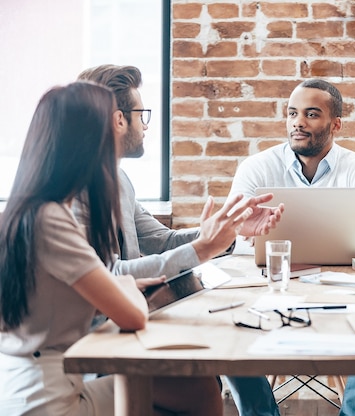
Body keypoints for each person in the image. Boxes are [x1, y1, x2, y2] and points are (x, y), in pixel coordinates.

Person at [0, 82, 228, 415]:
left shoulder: (27, 211)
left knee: (195, 386)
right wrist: (121, 286)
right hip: (48, 399)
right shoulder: (50, 219)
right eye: (112, 127)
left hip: (35, 383)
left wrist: (118, 286)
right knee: (198, 387)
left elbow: (63, 295)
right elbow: (131, 314)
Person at [225, 79, 355, 416]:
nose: (297, 122)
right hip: (268, 287)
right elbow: (229, 234)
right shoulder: (257, 168)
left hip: (343, 290)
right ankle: (259, 413)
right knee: (228, 325)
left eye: (311, 114)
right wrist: (247, 235)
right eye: (292, 113)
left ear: (336, 124)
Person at [76, 64, 284, 280]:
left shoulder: (120, 181)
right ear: (119, 120)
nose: (145, 126)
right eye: (141, 115)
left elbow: (163, 242)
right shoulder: (75, 190)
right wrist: (203, 247)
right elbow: (108, 274)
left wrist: (230, 230)